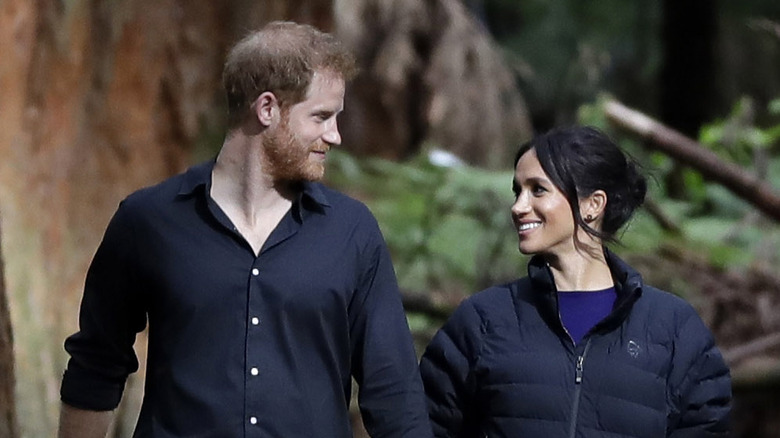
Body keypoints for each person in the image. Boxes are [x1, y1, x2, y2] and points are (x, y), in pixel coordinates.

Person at [58, 21, 432, 438]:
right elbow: (96, 366)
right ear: (267, 108)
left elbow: (394, 392)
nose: (335, 135)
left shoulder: (352, 233)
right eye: (322, 116)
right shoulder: (147, 221)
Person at [419, 126, 731, 437]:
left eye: (537, 190)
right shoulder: (482, 321)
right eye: (518, 191)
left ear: (593, 204)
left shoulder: (674, 330)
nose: (518, 206)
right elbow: (420, 427)